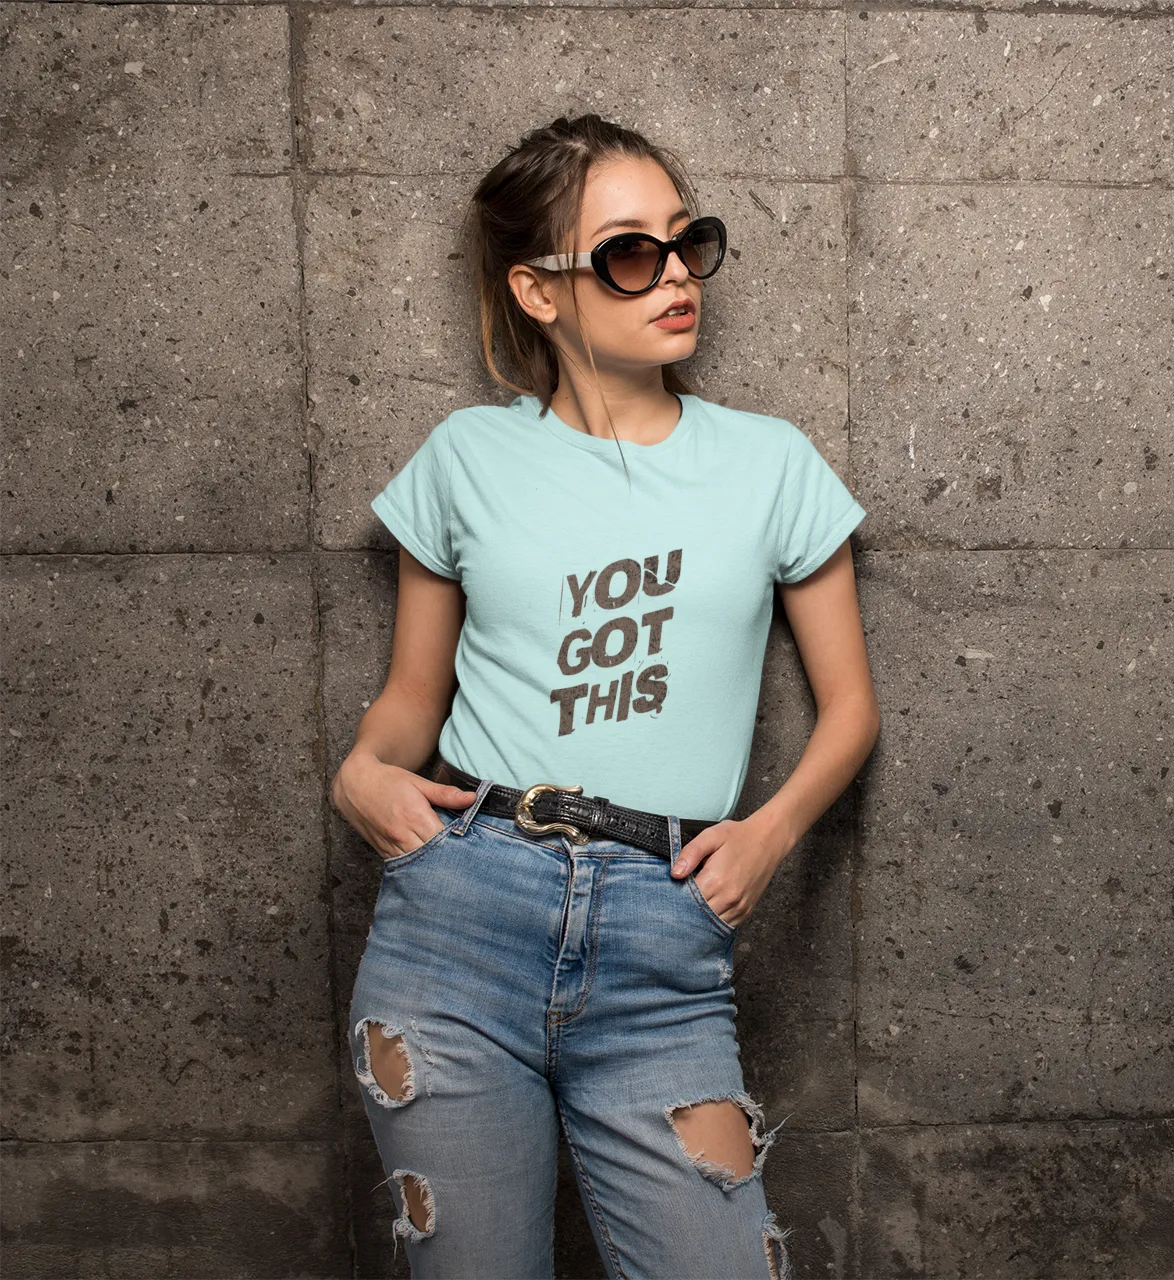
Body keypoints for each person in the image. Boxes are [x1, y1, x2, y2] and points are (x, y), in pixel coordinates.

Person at [329, 113, 880, 1280]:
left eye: (687, 242)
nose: (676, 274)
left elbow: (850, 711)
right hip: (457, 918)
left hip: (661, 937)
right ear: (539, 289)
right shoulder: (465, 459)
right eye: (632, 253)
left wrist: (765, 838)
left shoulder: (770, 461)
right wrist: (362, 771)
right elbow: (405, 704)